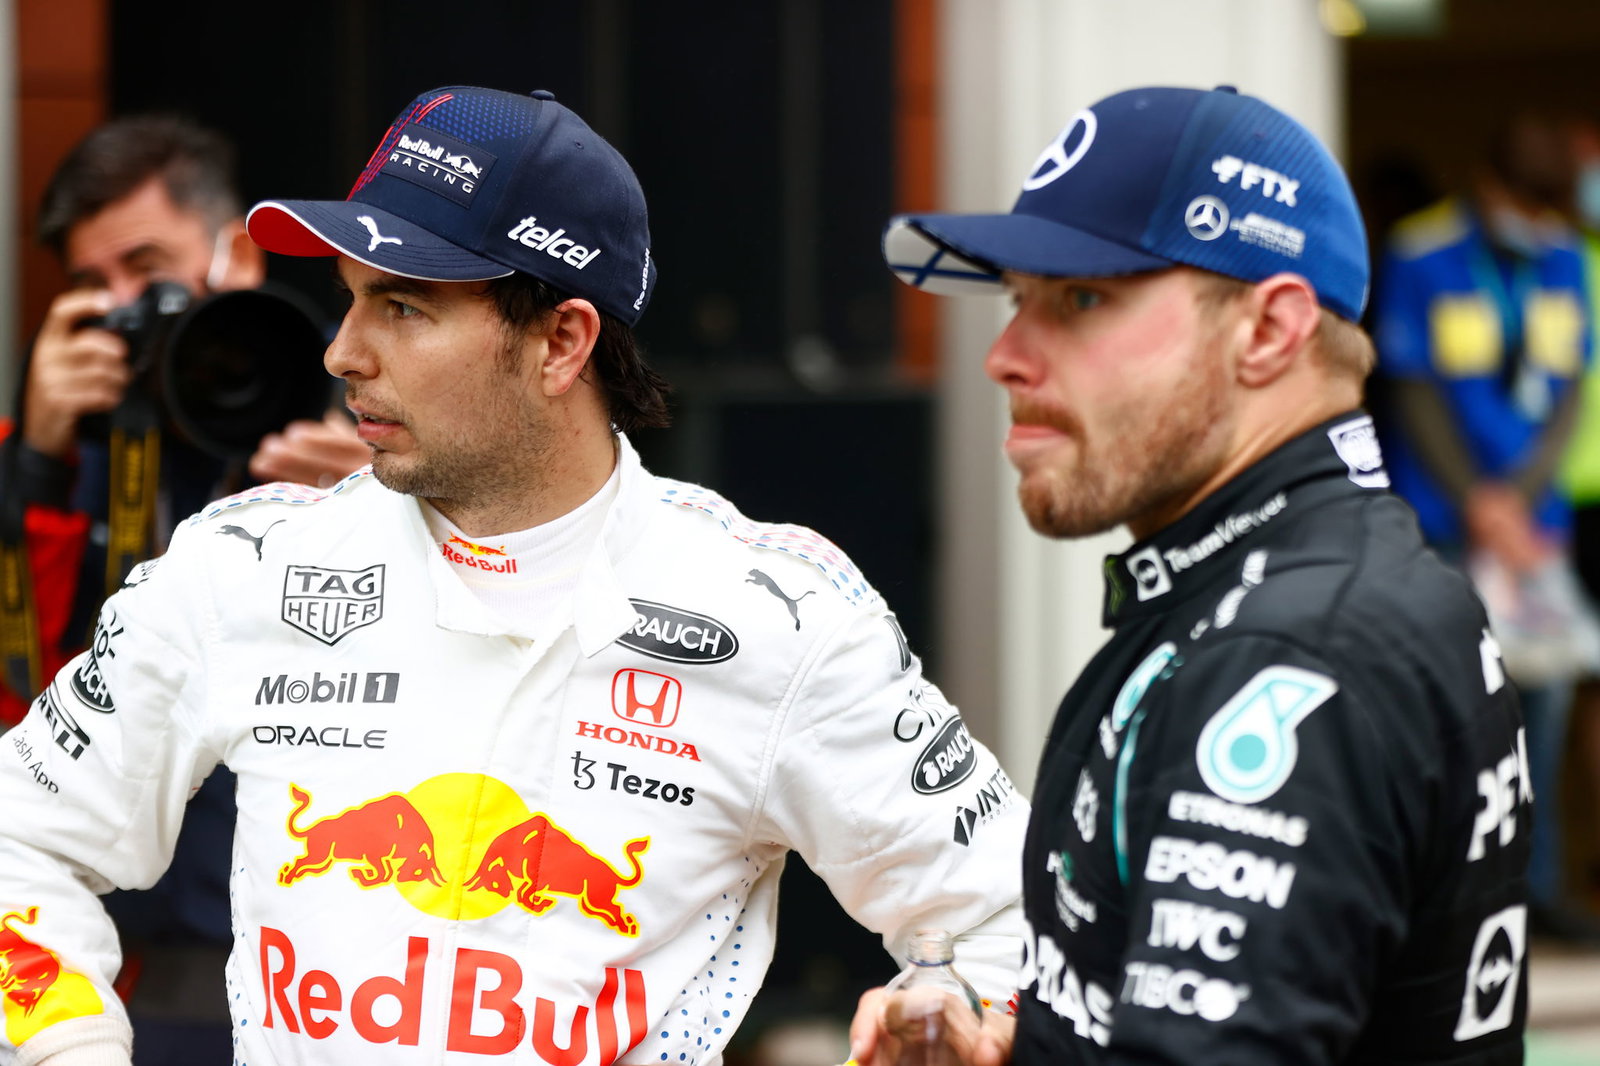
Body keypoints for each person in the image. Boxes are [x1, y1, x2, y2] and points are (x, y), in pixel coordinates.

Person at [0, 85, 1027, 1066]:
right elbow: (18, 844)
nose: (342, 353)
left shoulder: (781, 613)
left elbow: (1008, 917)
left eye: (402, 307)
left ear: (561, 342)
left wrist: (948, 1007)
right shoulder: (238, 569)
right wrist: (77, 1044)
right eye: (349, 299)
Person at [852, 85, 1529, 1065]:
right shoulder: (1296, 582)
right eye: (1016, 301)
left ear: (1267, 331)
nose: (1004, 356)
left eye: (1081, 298)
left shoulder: (1291, 648)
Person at [0, 114, 369, 1066]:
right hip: (125, 945)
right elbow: (18, 692)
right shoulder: (68, 436)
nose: (126, 304)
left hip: (335, 934)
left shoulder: (360, 388)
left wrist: (372, 505)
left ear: (233, 256)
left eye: (146, 265)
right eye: (92, 286)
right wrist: (36, 460)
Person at [1369, 112, 1598, 941]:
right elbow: (1416, 388)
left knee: (1543, 708)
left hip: (1533, 531)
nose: (1538, 228)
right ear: (1492, 187)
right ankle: (1446, 897)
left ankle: (1533, 890)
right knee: (1446, 709)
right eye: (1527, 208)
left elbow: (1570, 386)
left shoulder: (1565, 256)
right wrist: (1481, 502)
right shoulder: (1423, 251)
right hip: (1445, 524)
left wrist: (1519, 501)